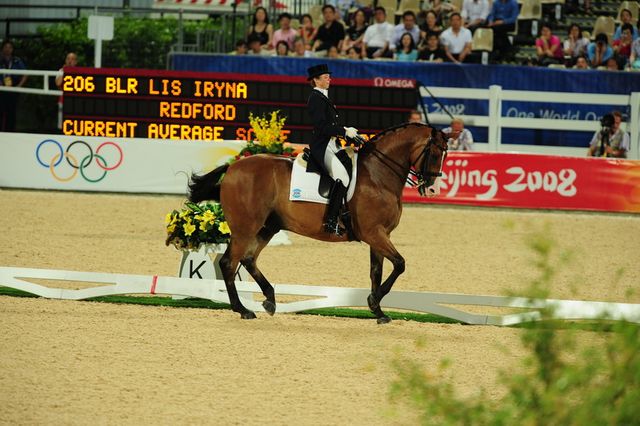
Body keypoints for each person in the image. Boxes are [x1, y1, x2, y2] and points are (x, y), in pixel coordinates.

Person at [306, 63, 361, 235]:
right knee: (342, 178)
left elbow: (331, 125)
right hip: (322, 147)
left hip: (332, 144)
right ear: (316, 80)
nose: (329, 79)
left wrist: (348, 132)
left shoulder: (324, 97)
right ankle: (330, 221)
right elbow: (322, 127)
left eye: (329, 76)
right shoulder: (315, 98)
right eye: (325, 77)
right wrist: (344, 131)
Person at [0, 40, 27, 132]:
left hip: (13, 90)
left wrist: (19, 86)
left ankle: (10, 132)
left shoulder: (17, 60)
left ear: (12, 49)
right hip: (1, 89)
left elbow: (25, 74)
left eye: (10, 47)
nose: (8, 49)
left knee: (11, 113)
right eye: (6, 47)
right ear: (2, 48)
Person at [55, 52, 78, 129]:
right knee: (62, 126)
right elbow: (58, 83)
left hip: (76, 103)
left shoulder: (79, 72)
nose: (70, 61)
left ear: (76, 61)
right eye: (68, 59)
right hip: (63, 101)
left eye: (72, 59)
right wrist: (65, 71)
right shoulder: (61, 71)